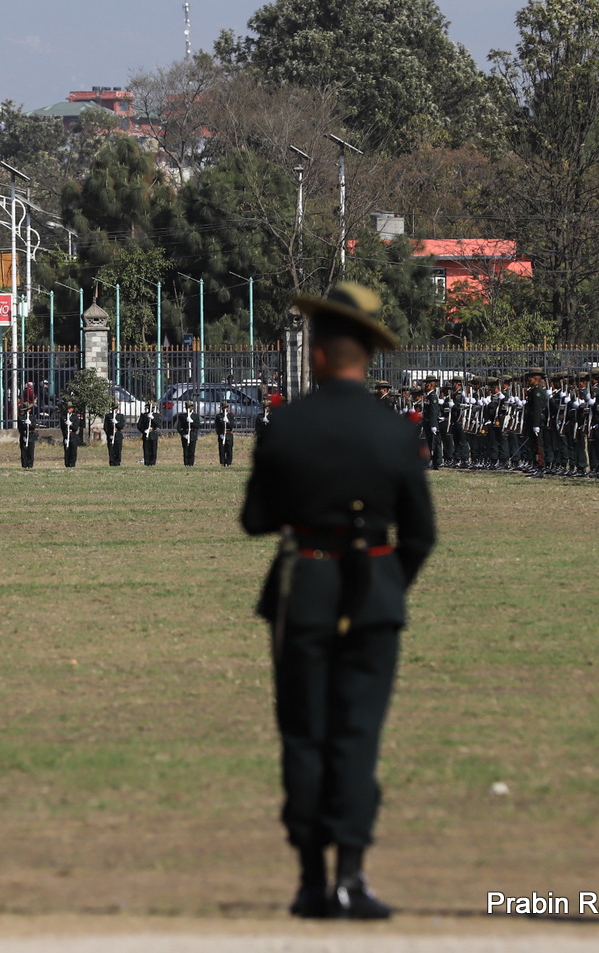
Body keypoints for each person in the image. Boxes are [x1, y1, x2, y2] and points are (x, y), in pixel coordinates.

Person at [240, 283, 437, 921]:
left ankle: (309, 880)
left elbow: (254, 519)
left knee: (304, 735)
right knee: (357, 735)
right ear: (368, 356)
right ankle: (351, 873)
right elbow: (421, 534)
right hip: (374, 590)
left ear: (319, 353)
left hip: (305, 587)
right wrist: (386, 581)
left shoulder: (287, 424)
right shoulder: (395, 430)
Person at [102, 401, 126, 466]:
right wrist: (109, 434)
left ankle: (117, 462)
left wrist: (117, 423)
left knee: (118, 449)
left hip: (118, 434)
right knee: (111, 450)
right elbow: (105, 427)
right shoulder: (108, 416)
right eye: (113, 408)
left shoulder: (120, 416)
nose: (114, 409)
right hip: (111, 435)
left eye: (116, 408)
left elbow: (122, 426)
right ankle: (112, 462)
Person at [176, 401, 200, 466]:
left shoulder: (195, 416)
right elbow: (179, 427)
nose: (189, 408)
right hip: (185, 434)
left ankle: (191, 464)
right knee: (185, 450)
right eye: (188, 407)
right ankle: (186, 464)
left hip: (192, 434)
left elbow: (198, 426)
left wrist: (192, 422)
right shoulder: (182, 416)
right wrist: (183, 434)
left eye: (190, 407)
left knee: (192, 450)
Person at [214, 401, 236, 467]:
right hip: (222, 434)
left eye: (226, 407)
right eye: (223, 408)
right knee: (222, 450)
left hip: (229, 434)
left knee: (229, 449)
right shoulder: (219, 416)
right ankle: (222, 463)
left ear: (228, 408)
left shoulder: (231, 415)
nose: (225, 409)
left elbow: (232, 425)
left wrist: (228, 422)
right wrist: (219, 434)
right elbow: (217, 426)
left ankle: (229, 463)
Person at [61, 404, 82, 468]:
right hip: (66, 436)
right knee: (67, 451)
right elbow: (62, 428)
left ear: (72, 409)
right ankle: (67, 464)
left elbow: (75, 428)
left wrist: (71, 424)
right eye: (67, 408)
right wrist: (65, 437)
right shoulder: (63, 417)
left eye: (70, 408)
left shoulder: (75, 417)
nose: (68, 410)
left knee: (73, 451)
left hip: (73, 436)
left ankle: (72, 464)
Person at [17, 403, 36, 469]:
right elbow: (20, 428)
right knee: (24, 452)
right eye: (26, 409)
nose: (28, 410)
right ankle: (24, 465)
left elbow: (34, 427)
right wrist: (23, 435)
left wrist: (30, 424)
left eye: (29, 409)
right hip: (24, 436)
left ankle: (30, 465)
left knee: (30, 451)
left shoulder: (32, 418)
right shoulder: (20, 418)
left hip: (30, 436)